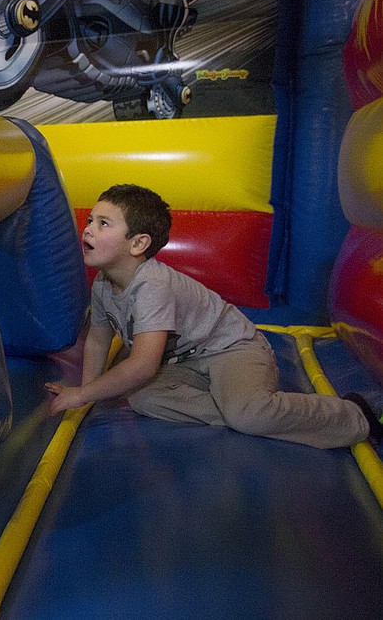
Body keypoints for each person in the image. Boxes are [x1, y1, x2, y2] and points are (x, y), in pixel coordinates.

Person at [46, 184, 383, 449]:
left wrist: (82, 394)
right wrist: (87, 392)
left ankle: (353, 415)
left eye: (103, 223)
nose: (88, 229)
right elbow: (98, 339)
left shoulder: (152, 284)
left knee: (249, 415)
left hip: (233, 349)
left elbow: (143, 366)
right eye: (90, 220)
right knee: (143, 398)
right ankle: (234, 409)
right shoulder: (104, 285)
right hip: (184, 364)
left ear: (138, 244)